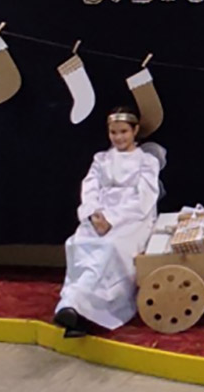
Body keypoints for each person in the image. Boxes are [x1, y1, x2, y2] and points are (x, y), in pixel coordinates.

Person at [54, 106, 161, 337]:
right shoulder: (101, 159)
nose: (119, 137)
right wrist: (94, 214)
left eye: (124, 131)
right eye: (114, 132)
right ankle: (73, 305)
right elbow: (90, 188)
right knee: (79, 243)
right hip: (100, 215)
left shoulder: (146, 161)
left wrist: (112, 220)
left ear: (135, 131)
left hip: (131, 218)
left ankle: (89, 307)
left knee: (110, 248)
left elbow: (144, 200)